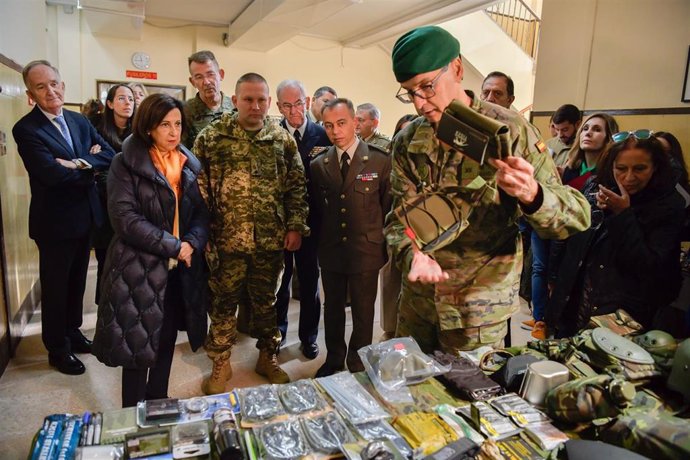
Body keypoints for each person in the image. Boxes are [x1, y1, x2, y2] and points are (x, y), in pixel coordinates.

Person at [384, 26, 590, 353]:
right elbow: (398, 221)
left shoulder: (511, 132)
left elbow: (577, 216)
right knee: (409, 394)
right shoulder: (409, 141)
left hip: (476, 311)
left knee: (467, 400)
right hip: (419, 306)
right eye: (409, 92)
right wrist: (412, 256)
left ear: (457, 68)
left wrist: (534, 195)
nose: (420, 103)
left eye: (426, 86)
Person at [92, 93, 209, 407]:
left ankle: (157, 398)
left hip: (178, 269)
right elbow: (125, 219)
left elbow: (200, 213)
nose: (173, 132)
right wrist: (174, 246)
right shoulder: (124, 162)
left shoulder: (186, 162)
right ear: (147, 127)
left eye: (178, 124)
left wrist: (192, 243)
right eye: (164, 125)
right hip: (137, 268)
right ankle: (132, 411)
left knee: (167, 336)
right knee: (138, 343)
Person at [194, 73, 309, 393]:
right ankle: (220, 362)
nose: (255, 105)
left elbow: (296, 186)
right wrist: (202, 236)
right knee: (222, 303)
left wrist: (295, 225)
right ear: (235, 100)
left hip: (269, 241)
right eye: (248, 99)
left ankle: (267, 357)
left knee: (266, 302)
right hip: (225, 241)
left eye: (261, 99)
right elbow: (197, 192)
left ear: (269, 102)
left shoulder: (281, 139)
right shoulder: (211, 138)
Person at [12, 60, 116, 375]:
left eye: (54, 83)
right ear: (31, 94)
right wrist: (88, 165)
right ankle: (57, 349)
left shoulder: (79, 121)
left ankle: (73, 333)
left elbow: (109, 155)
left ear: (63, 85)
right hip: (54, 223)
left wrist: (74, 164)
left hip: (85, 217)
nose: (50, 91)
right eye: (41, 86)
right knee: (56, 288)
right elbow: (49, 174)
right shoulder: (26, 129)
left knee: (76, 284)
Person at [548, 131, 684, 337]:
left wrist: (622, 215)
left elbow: (650, 268)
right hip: (574, 302)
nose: (629, 178)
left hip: (623, 316)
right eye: (621, 168)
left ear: (655, 167)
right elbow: (570, 240)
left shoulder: (668, 204)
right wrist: (554, 279)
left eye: (640, 169)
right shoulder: (595, 186)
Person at [310, 98, 392, 376]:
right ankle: (334, 358)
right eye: (328, 125)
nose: (335, 131)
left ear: (355, 123)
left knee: (363, 310)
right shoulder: (319, 164)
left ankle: (358, 362)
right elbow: (318, 210)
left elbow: (387, 205)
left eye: (341, 123)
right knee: (332, 308)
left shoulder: (379, 160)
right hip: (332, 248)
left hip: (366, 249)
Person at [273, 80, 331, 359]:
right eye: (287, 105)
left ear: (307, 102)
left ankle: (308, 337)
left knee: (310, 284)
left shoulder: (323, 135)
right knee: (279, 285)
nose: (293, 110)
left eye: (298, 103)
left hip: (313, 224)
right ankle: (278, 334)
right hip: (280, 223)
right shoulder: (271, 134)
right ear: (278, 106)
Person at [93, 84, 135, 304]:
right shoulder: (97, 132)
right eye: (121, 98)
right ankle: (105, 313)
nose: (128, 102)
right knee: (106, 263)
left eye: (130, 98)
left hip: (133, 208)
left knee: (130, 264)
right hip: (104, 207)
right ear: (109, 104)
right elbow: (94, 168)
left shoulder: (139, 133)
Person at [182, 50, 235, 149]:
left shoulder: (236, 108)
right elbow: (181, 153)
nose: (206, 82)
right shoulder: (185, 112)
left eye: (210, 74)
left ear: (221, 74)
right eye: (199, 77)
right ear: (192, 82)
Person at [561, 113, 618, 190]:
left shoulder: (612, 172)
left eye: (597, 130)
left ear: (608, 138)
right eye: (585, 129)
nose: (588, 133)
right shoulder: (570, 167)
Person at [546, 104, 581, 168]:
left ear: (578, 124)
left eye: (565, 130)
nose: (560, 135)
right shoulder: (548, 144)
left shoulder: (583, 147)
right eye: (557, 129)